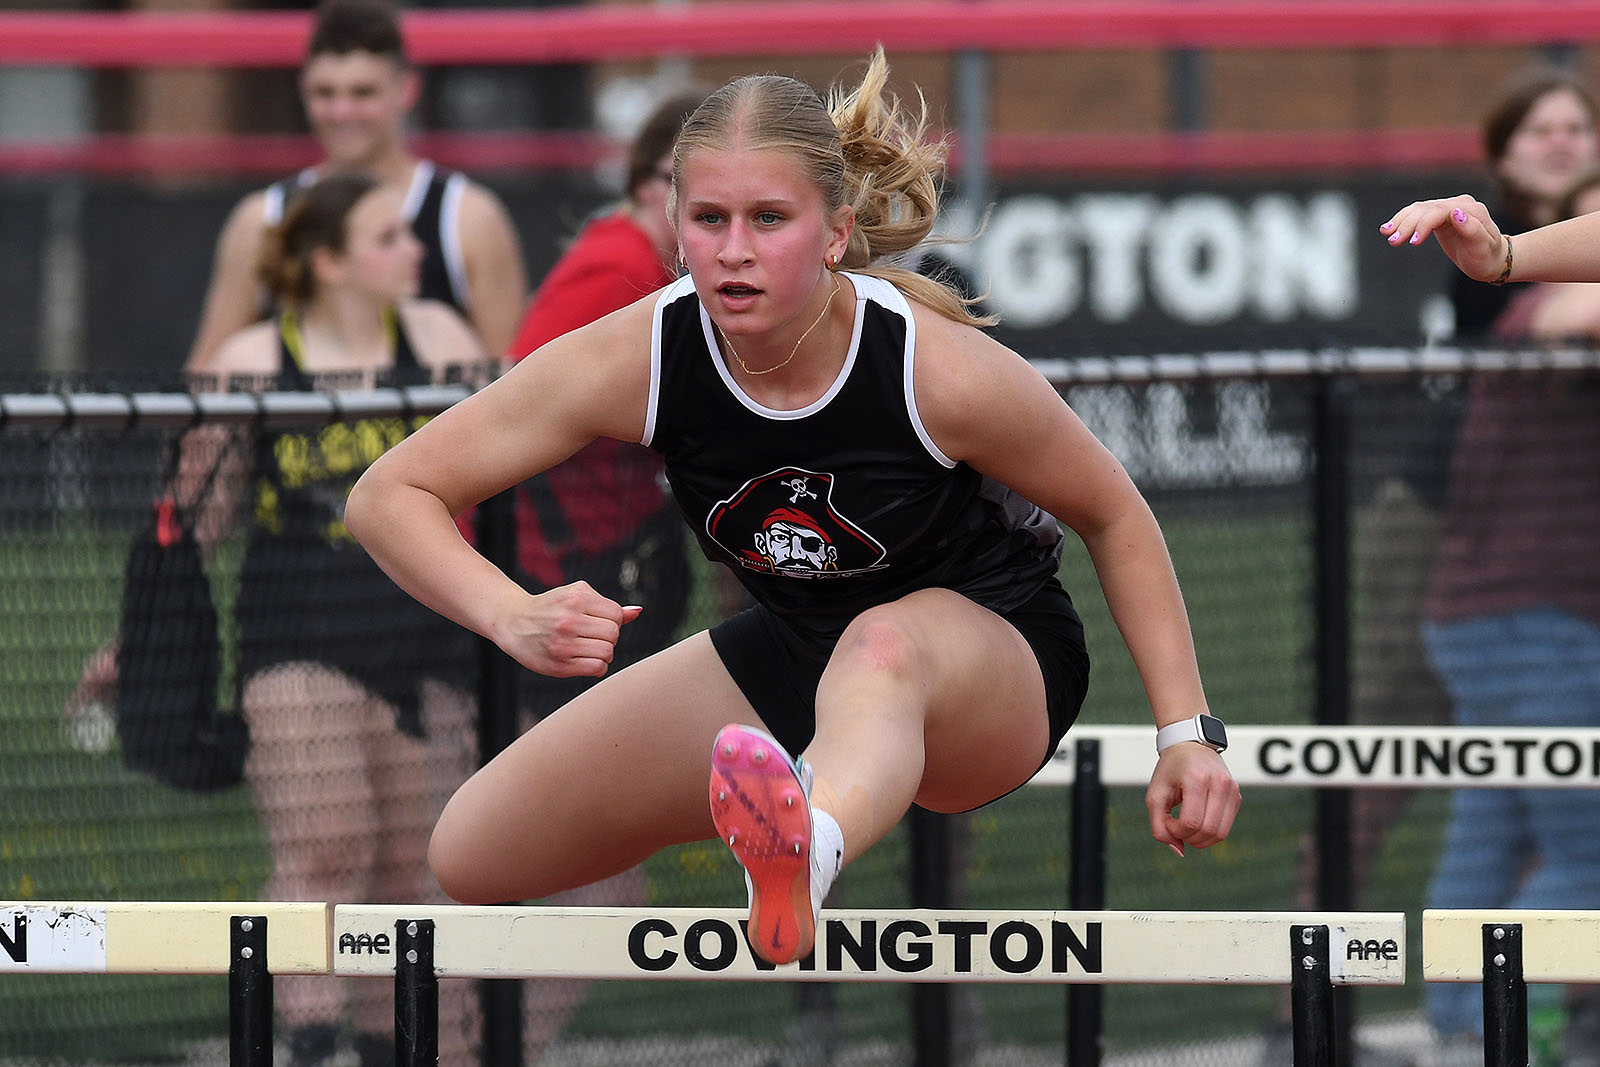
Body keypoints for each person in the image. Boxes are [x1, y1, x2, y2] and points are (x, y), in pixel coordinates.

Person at [345, 49, 1240, 972]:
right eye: (710, 219)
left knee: (882, 645)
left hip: (989, 665)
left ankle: (802, 849)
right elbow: (388, 494)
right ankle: (792, 805)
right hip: (799, 649)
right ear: (674, 227)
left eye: (769, 219)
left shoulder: (935, 369)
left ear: (836, 232)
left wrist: (1186, 734)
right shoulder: (642, 355)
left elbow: (1116, 514)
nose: (734, 250)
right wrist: (510, 611)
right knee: (473, 851)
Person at [75, 172, 490, 1067]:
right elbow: (196, 516)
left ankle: (392, 1047)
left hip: (420, 630)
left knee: (410, 871)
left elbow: (485, 483)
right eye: (389, 237)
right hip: (297, 628)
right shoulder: (256, 360)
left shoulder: (441, 341)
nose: (415, 251)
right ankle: (299, 1042)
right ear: (329, 261)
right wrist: (141, 640)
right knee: (325, 845)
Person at [502, 87, 707, 1061]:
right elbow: (517, 410)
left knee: (593, 868)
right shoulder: (617, 268)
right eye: (687, 193)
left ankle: (489, 1042)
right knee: (589, 871)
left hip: (599, 581)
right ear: (643, 183)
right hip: (557, 586)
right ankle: (485, 1046)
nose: (706, 223)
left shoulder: (662, 274)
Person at [1395, 167, 1600, 1067]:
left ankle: (1459, 1031)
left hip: (1490, 617)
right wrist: (1509, 255)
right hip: (1533, 623)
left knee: (1495, 828)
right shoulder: (1553, 307)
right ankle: (1485, 1023)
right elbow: (1571, 311)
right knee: (1592, 854)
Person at [187, 0, 528, 368]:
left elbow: (514, 376)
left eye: (363, 93)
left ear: (407, 90)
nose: (342, 112)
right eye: (325, 93)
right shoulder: (263, 219)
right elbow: (206, 380)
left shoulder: (467, 219)